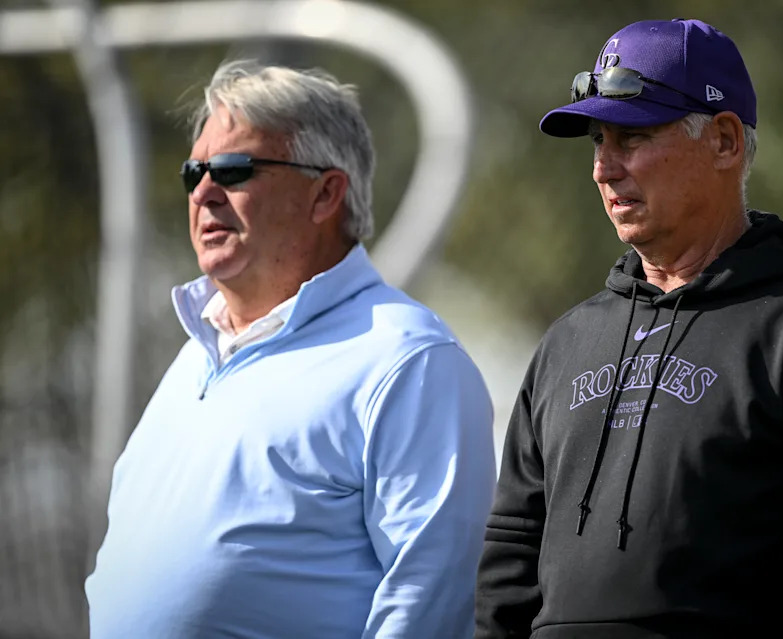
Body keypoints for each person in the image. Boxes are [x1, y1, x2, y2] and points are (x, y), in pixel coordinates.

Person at [475, 18, 783, 638]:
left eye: (631, 137)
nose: (605, 169)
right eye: (598, 141)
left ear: (724, 141)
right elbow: (509, 568)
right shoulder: (564, 344)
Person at [85, 59, 496, 638]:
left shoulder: (406, 359)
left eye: (232, 169)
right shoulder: (196, 354)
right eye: (192, 172)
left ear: (325, 193)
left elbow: (432, 593)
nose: (204, 192)